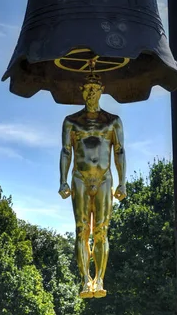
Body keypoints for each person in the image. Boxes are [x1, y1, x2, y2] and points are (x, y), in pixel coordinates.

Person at [58, 75, 126, 298]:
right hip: (80, 177)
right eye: (87, 89)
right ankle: (85, 280)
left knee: (101, 231)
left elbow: (119, 151)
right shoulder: (71, 121)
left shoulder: (113, 121)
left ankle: (100, 279)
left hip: (105, 179)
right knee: (81, 229)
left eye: (95, 89)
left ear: (102, 90)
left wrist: (123, 182)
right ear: (82, 90)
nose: (91, 93)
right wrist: (63, 180)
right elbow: (66, 151)